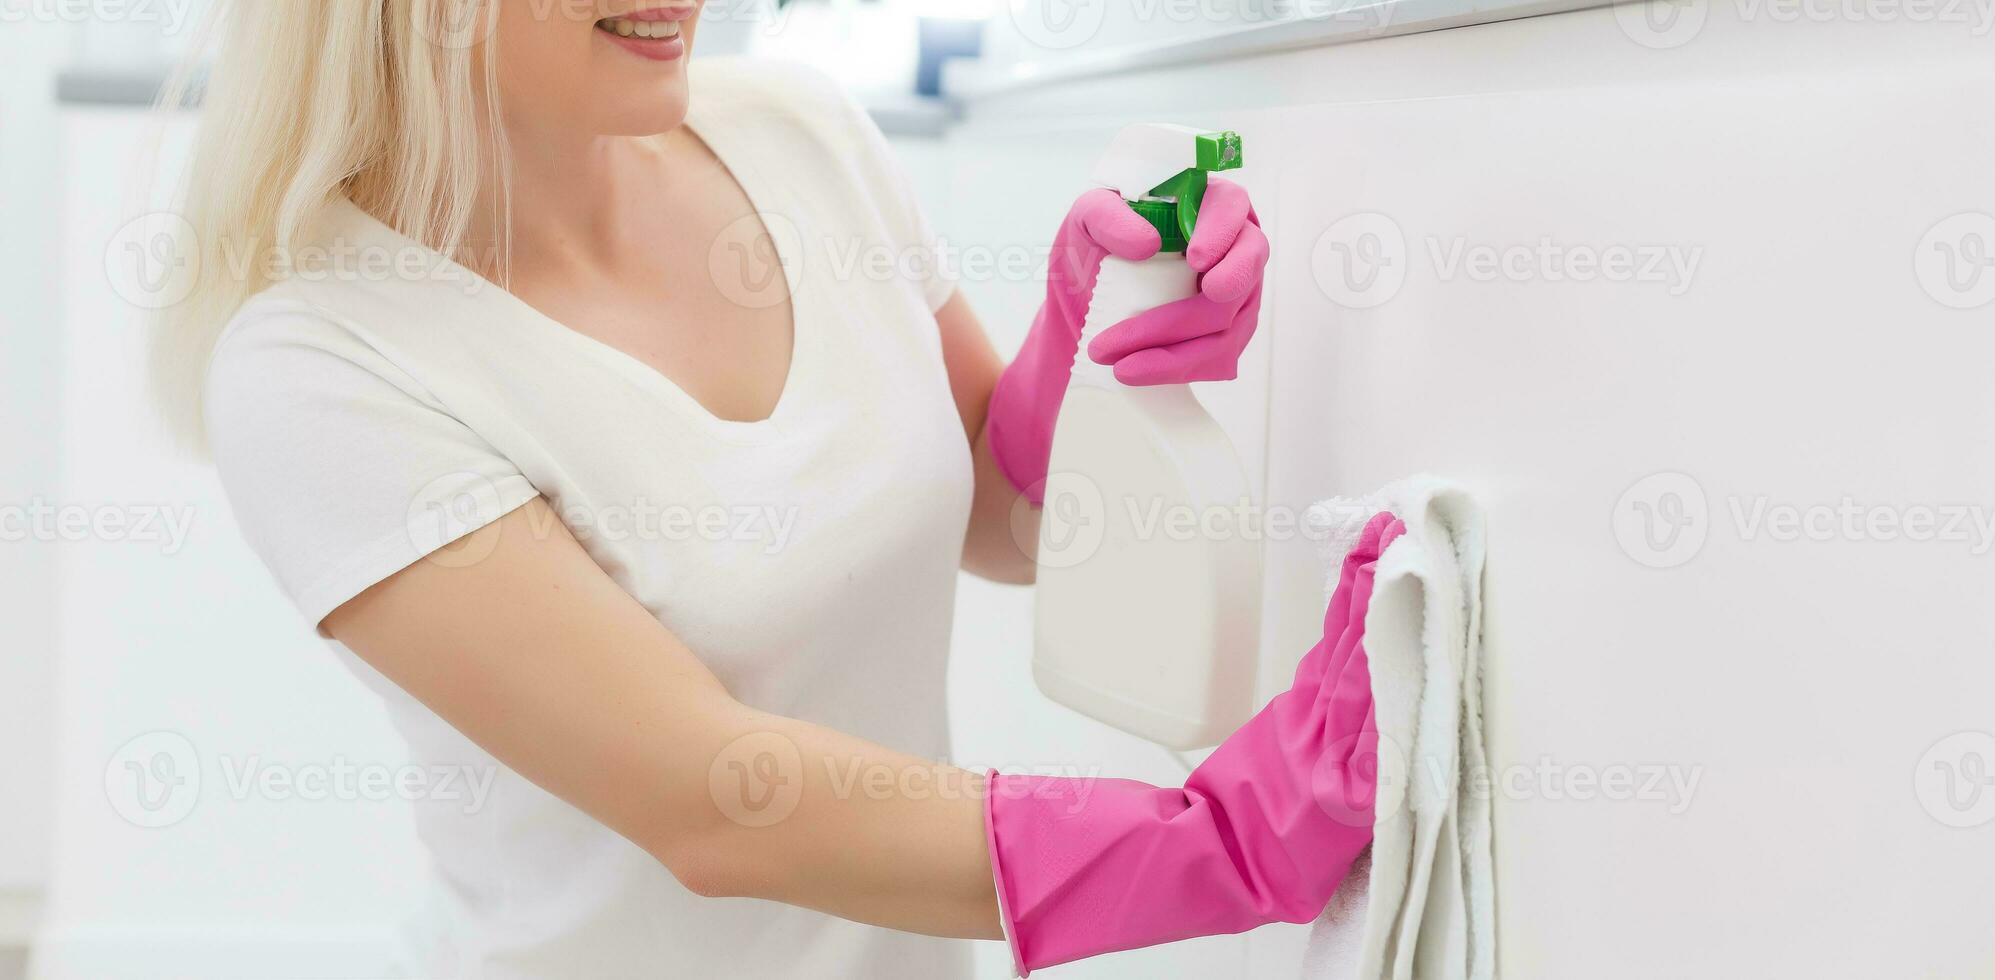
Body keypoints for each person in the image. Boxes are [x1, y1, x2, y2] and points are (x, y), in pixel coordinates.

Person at [154, 1, 1378, 975]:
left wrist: (1096, 336)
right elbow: (717, 800)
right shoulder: (321, 365)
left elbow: (1000, 519)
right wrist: (1213, 847)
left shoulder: (801, 135)